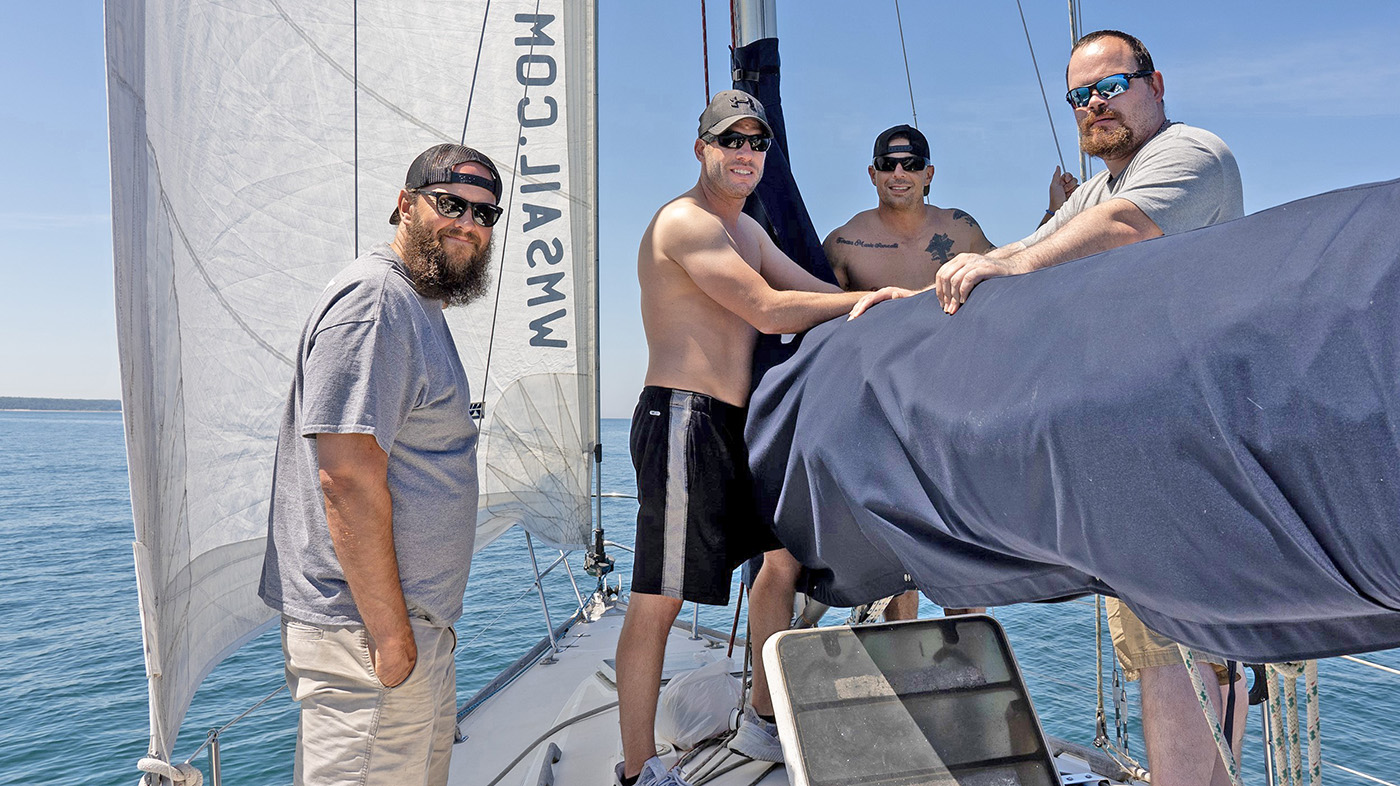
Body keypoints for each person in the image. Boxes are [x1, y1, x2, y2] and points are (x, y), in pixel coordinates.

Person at [854, 30, 1248, 786]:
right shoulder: (1098, 188)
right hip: (1130, 450)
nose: (1094, 104)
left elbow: (1117, 231)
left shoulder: (1190, 155)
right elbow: (1038, 246)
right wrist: (907, 308)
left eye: (1110, 85)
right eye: (1080, 96)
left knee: (1180, 647)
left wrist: (1000, 262)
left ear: (1155, 83)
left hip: (1186, 448)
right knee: (1154, 646)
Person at [615, 90, 914, 786]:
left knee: (780, 563)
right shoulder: (685, 223)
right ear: (703, 150)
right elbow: (768, 308)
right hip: (683, 421)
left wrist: (893, 312)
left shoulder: (746, 232)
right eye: (730, 141)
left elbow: (809, 292)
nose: (744, 154)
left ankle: (761, 714)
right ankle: (639, 768)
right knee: (657, 602)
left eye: (755, 143)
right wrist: (864, 299)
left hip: (740, 426)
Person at [258, 143, 501, 786]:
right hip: (368, 643)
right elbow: (346, 477)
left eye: (485, 213)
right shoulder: (375, 304)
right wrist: (393, 642)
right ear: (404, 204)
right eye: (451, 204)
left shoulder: (416, 307)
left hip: (408, 638)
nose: (469, 224)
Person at [822, 124, 998, 621]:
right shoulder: (844, 242)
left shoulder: (961, 229)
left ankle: (969, 668)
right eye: (889, 164)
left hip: (951, 407)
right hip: (879, 415)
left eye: (912, 164)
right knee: (896, 553)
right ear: (873, 174)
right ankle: (902, 662)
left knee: (963, 547)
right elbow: (816, 326)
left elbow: (1013, 275)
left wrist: (1055, 213)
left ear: (929, 173)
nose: (901, 173)